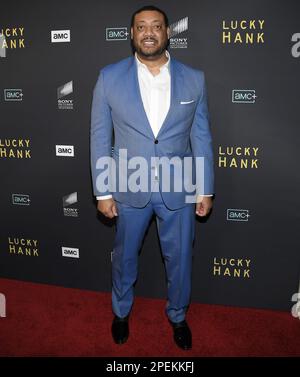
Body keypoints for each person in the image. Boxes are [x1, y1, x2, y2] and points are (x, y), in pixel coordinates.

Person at [90, 5, 214, 350]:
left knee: (180, 260)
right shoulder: (109, 77)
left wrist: (205, 188)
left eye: (156, 26)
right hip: (128, 185)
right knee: (125, 256)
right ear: (131, 34)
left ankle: (178, 315)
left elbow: (201, 137)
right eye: (141, 26)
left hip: (179, 186)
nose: (148, 32)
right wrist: (103, 190)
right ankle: (121, 313)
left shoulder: (194, 78)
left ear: (167, 32)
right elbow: (100, 138)